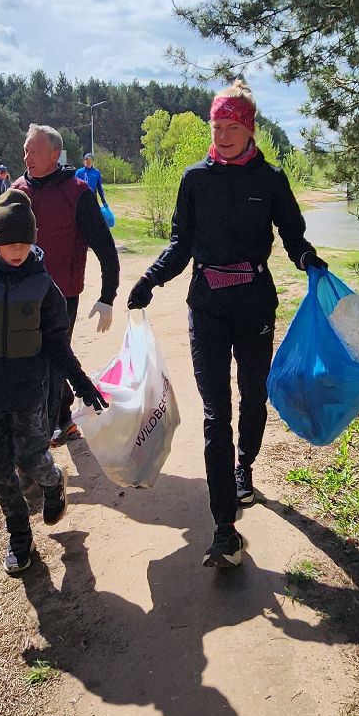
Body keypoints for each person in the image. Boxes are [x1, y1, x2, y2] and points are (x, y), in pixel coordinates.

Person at [126, 81, 323, 568]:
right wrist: (151, 278)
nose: (224, 135)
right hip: (207, 308)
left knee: (252, 395)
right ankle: (223, 528)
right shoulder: (195, 180)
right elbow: (180, 243)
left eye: (232, 127)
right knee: (216, 414)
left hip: (255, 305)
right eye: (217, 127)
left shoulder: (271, 180)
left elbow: (293, 235)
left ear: (249, 127)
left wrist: (309, 260)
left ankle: (245, 467)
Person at [0, 190, 108, 575]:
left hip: (29, 392)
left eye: (25, 243)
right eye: (9, 243)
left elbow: (57, 345)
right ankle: (19, 537)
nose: (17, 251)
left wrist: (81, 383)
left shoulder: (43, 286)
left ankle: (53, 484)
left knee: (32, 459)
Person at [15, 125, 119, 446]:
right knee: (36, 356)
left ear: (54, 154)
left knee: (51, 356)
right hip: (21, 293)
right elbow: (1, 237)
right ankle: (60, 416)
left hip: (62, 294)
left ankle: (52, 425)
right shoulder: (18, 191)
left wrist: (107, 296)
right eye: (25, 150)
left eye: (33, 151)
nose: (26, 156)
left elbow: (105, 248)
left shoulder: (77, 193)